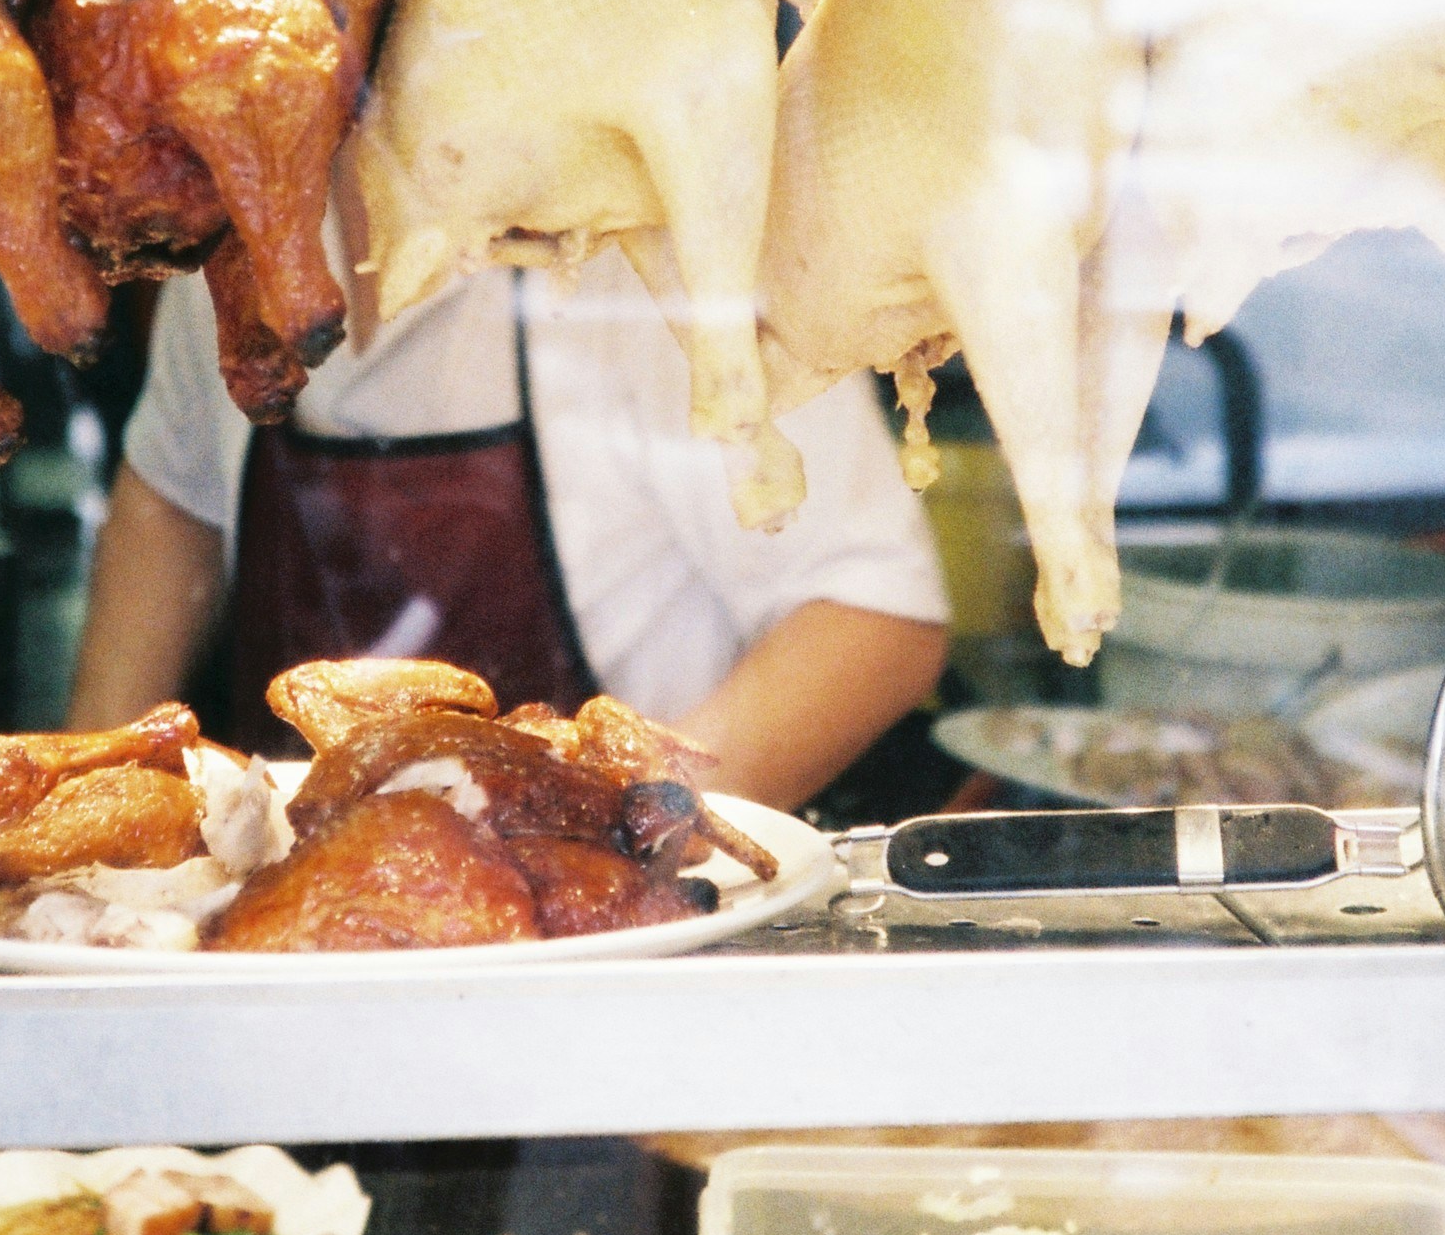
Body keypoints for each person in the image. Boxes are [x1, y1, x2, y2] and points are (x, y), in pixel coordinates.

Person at [65, 245, 949, 812]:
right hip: (291, 961)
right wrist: (85, 809)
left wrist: (625, 848)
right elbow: (171, 495)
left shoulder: (644, 261)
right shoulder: (231, 256)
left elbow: (872, 617)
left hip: (603, 995)